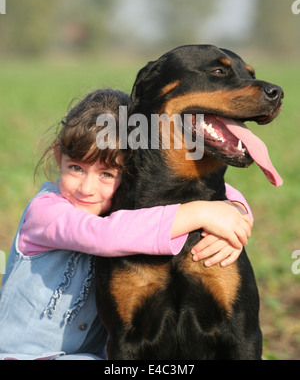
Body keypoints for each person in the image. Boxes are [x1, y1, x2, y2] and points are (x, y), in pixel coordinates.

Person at [0, 89, 253, 360]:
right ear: (58, 154)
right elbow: (104, 236)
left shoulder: (120, 210)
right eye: (76, 168)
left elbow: (210, 188)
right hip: (18, 354)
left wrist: (235, 209)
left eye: (107, 174)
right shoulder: (46, 211)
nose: (87, 188)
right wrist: (202, 212)